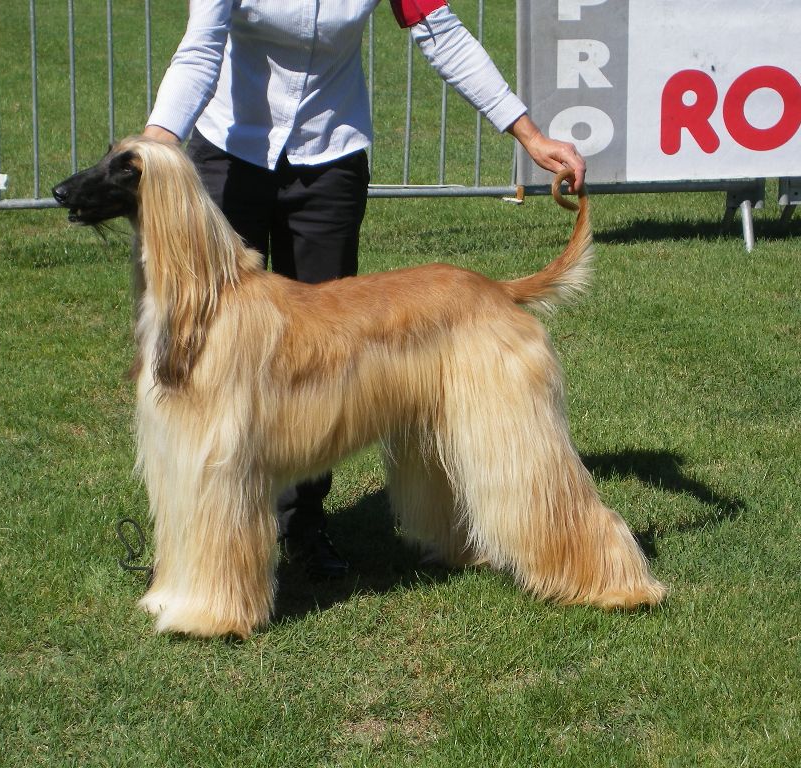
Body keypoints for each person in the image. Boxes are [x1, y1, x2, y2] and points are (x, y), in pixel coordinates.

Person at [142, 0, 586, 579]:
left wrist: (527, 134)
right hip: (229, 148)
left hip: (330, 159)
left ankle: (303, 528)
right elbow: (202, 46)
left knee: (325, 361)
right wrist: (158, 139)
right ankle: (196, 547)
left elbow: (442, 34)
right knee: (207, 361)